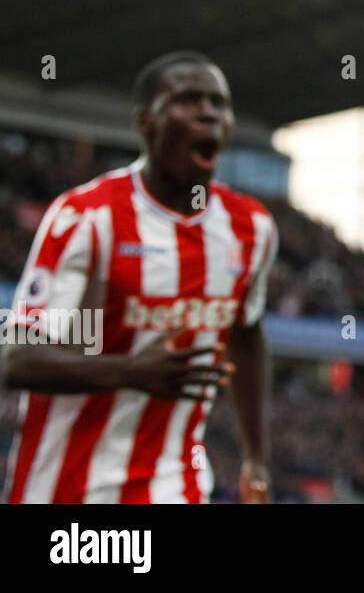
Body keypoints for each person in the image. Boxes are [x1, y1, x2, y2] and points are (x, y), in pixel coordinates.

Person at [2, 51, 277, 503]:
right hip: (70, 488)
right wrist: (129, 370)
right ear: (147, 121)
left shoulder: (252, 229)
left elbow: (247, 333)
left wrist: (256, 457)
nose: (209, 113)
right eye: (189, 100)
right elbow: (15, 360)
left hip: (178, 485)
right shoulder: (87, 218)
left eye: (218, 102)